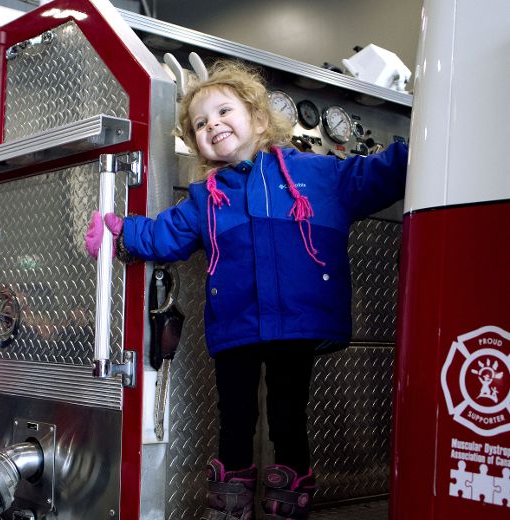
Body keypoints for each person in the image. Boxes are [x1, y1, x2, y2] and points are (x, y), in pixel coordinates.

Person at [85, 60, 408, 520]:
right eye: (200, 123)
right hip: (236, 322)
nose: (212, 124)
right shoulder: (206, 197)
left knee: (288, 410)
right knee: (235, 413)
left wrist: (432, 141)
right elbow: (165, 233)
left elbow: (376, 174)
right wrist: (119, 232)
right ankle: (230, 497)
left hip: (297, 322)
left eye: (223, 111)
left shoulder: (319, 175)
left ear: (258, 118)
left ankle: (288, 496)